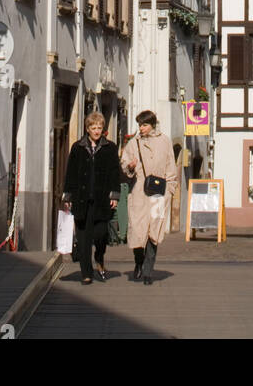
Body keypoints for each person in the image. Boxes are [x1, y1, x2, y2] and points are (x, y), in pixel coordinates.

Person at [61, 112, 121, 284]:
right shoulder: (78, 147)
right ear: (87, 129)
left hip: (102, 198)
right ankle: (86, 273)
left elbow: (115, 173)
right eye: (93, 128)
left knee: (100, 234)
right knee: (83, 238)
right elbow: (71, 172)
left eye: (99, 128)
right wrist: (68, 195)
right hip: (81, 198)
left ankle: (99, 256)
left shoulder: (110, 148)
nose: (96, 131)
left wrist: (115, 194)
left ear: (103, 129)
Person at [119, 109, 178, 285]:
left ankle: (148, 271)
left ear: (152, 124)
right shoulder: (133, 143)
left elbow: (170, 166)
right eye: (140, 125)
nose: (141, 128)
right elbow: (124, 165)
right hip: (139, 191)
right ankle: (138, 261)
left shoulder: (165, 141)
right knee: (138, 231)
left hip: (159, 192)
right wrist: (130, 167)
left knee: (154, 231)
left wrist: (170, 188)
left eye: (144, 124)